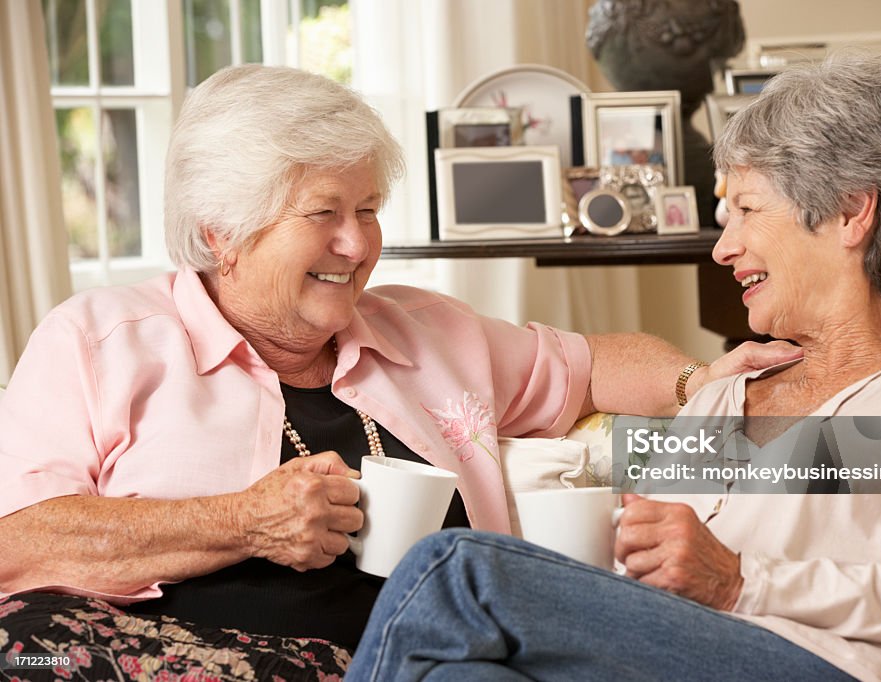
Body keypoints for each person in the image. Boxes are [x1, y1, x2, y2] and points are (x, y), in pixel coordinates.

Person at [0, 64, 798, 679]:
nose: (358, 245)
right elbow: (15, 549)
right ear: (222, 232)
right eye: (324, 214)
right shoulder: (102, 343)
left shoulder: (428, 333)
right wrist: (244, 520)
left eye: (370, 210)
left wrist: (706, 385)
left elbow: (592, 370)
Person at [346, 52, 881, 682]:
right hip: (684, 657)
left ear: (852, 211)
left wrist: (742, 580)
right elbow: (651, 585)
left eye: (750, 211)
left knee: (456, 566)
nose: (724, 250)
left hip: (834, 668)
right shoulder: (729, 392)